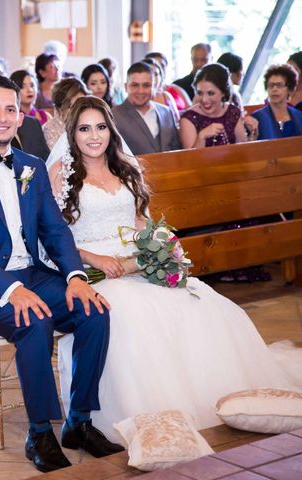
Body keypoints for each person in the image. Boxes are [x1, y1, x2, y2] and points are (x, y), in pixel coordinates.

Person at [48, 95, 300, 442]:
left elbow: (140, 224)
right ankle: (152, 417)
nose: (94, 136)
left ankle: (213, 398)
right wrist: (93, 259)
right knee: (134, 317)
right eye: (85, 129)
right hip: (94, 270)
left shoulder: (125, 167)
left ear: (111, 129)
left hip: (136, 262)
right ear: (72, 133)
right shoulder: (62, 174)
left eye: (101, 127)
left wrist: (157, 251)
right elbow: (52, 236)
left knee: (204, 303)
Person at [0, 75, 122, 473]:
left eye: (10, 109)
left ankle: (79, 421)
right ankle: (38, 432)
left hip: (32, 274)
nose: (2, 117)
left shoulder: (31, 166)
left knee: (95, 311)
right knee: (32, 319)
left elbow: (55, 230)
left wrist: (74, 277)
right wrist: (11, 289)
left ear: (21, 117)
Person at [180, 63, 257, 148]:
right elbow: (190, 160)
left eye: (211, 93)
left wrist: (253, 133)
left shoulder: (232, 112)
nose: (204, 99)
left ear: (223, 92)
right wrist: (201, 137)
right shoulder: (188, 118)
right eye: (200, 93)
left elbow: (243, 151)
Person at [112, 62, 181, 155]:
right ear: (126, 87)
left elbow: (176, 149)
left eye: (146, 85)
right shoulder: (113, 115)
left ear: (154, 86)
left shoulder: (166, 112)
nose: (140, 91)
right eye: (135, 85)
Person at [251, 64, 302, 139]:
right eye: (271, 85)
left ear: (290, 89)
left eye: (279, 85)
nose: (274, 89)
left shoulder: (299, 115)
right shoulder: (258, 116)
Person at [42, 78, 89, 150]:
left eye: (82, 105)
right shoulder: (49, 130)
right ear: (59, 108)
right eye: (71, 106)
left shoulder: (92, 123)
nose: (78, 110)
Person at [141, 57, 180, 123]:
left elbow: (177, 121)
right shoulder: (137, 98)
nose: (152, 77)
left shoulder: (166, 96)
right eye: (149, 73)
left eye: (155, 74)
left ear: (160, 77)